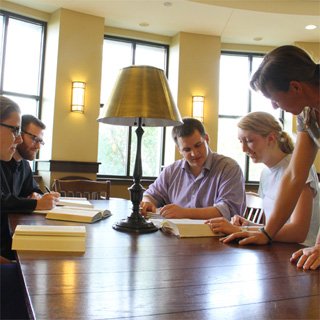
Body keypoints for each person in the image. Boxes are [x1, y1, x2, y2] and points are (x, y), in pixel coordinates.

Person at [220, 45, 320, 270]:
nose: (275, 106)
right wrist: (266, 232)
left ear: (295, 86)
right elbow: (295, 174)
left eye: (274, 98)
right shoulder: (307, 114)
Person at [206, 112, 319, 246]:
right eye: (241, 141)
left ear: (271, 138)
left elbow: (298, 232)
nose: (243, 148)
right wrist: (249, 224)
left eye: (249, 141)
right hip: (277, 249)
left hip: (301, 252)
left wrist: (240, 229)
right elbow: (269, 228)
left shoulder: (299, 167)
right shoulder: (265, 173)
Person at [140, 117, 246, 220]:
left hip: (216, 236)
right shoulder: (171, 171)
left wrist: (184, 213)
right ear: (179, 150)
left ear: (207, 139)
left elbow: (228, 211)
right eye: (187, 149)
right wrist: (147, 203)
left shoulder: (229, 168)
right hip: (174, 235)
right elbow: (150, 195)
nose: (194, 153)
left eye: (198, 145)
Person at [0, 97, 59, 259]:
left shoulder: (23, 165)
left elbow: (32, 189)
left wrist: (37, 196)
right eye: (15, 130)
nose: (18, 139)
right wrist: (37, 203)